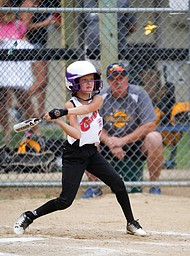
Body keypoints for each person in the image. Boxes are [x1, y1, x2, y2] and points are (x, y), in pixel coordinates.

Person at [13, 60, 147, 237]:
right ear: (74, 84)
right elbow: (76, 134)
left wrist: (63, 113)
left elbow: (91, 108)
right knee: (65, 201)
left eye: (91, 79)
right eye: (84, 80)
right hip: (74, 154)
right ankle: (29, 216)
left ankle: (131, 222)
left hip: (92, 152)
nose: (89, 83)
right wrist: (59, 120)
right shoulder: (70, 105)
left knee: (118, 183)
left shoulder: (97, 99)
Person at [81, 63, 164, 197]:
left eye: (121, 78)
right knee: (86, 138)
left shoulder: (139, 94)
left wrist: (122, 141)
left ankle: (154, 185)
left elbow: (150, 125)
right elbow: (92, 124)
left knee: (155, 137)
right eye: (113, 79)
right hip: (108, 143)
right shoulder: (100, 97)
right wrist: (110, 141)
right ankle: (94, 186)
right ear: (108, 81)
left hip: (135, 142)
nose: (118, 82)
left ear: (127, 79)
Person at [0, 0, 38, 143]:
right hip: (2, 67)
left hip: (16, 69)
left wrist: (12, 43)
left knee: (24, 98)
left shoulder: (18, 25)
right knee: (1, 100)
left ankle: (34, 130)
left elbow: (24, 43)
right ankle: (7, 131)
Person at [19, 0, 60, 116]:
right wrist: (44, 23)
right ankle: (20, 102)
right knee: (42, 80)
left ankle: (41, 114)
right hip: (31, 45)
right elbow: (24, 27)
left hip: (41, 44)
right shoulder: (28, 4)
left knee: (44, 82)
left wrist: (52, 23)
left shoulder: (43, 4)